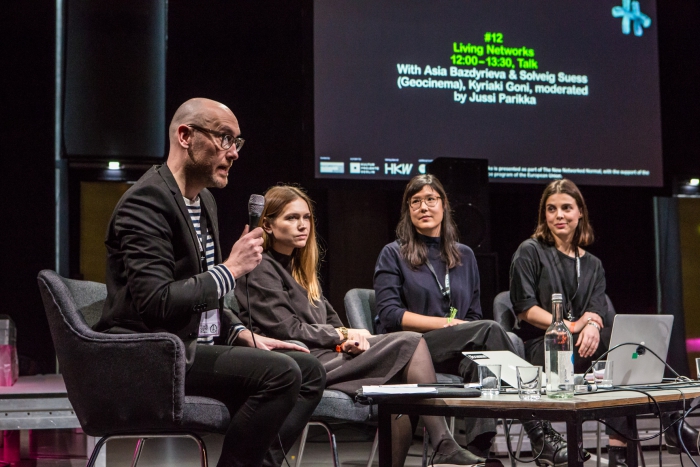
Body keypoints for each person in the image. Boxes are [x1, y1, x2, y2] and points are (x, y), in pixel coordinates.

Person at [94, 98, 326, 467]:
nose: (234, 153)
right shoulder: (147, 201)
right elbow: (156, 301)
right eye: (224, 139)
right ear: (186, 136)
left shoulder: (204, 203)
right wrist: (232, 269)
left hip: (193, 347)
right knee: (281, 374)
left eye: (237, 142)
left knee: (310, 369)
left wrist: (238, 332)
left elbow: (202, 292)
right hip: (155, 355)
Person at [236, 185, 499, 467]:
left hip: (327, 352)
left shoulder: (301, 268)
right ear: (267, 224)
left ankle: (429, 451)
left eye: (307, 218)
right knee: (409, 342)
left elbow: (329, 318)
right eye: (291, 218)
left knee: (399, 381)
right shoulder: (259, 267)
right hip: (299, 360)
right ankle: (444, 443)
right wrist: (341, 334)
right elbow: (286, 329)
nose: (303, 225)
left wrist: (345, 337)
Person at [374, 174, 578, 466]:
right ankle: (538, 432)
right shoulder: (393, 254)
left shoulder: (464, 256)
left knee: (484, 361)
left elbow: (471, 315)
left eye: (431, 199)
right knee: (490, 330)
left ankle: (479, 454)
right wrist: (447, 325)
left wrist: (460, 328)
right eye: (415, 201)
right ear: (408, 210)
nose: (423, 207)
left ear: (444, 206)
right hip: (413, 351)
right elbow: (391, 316)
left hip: (455, 351)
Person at [509, 178, 699, 465]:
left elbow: (597, 310)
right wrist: (573, 327)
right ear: (543, 214)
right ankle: (666, 429)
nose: (559, 215)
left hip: (583, 352)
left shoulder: (593, 264)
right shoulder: (530, 251)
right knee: (617, 347)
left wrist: (593, 326)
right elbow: (525, 309)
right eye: (551, 209)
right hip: (543, 350)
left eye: (566, 208)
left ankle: (622, 453)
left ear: (580, 212)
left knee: (620, 353)